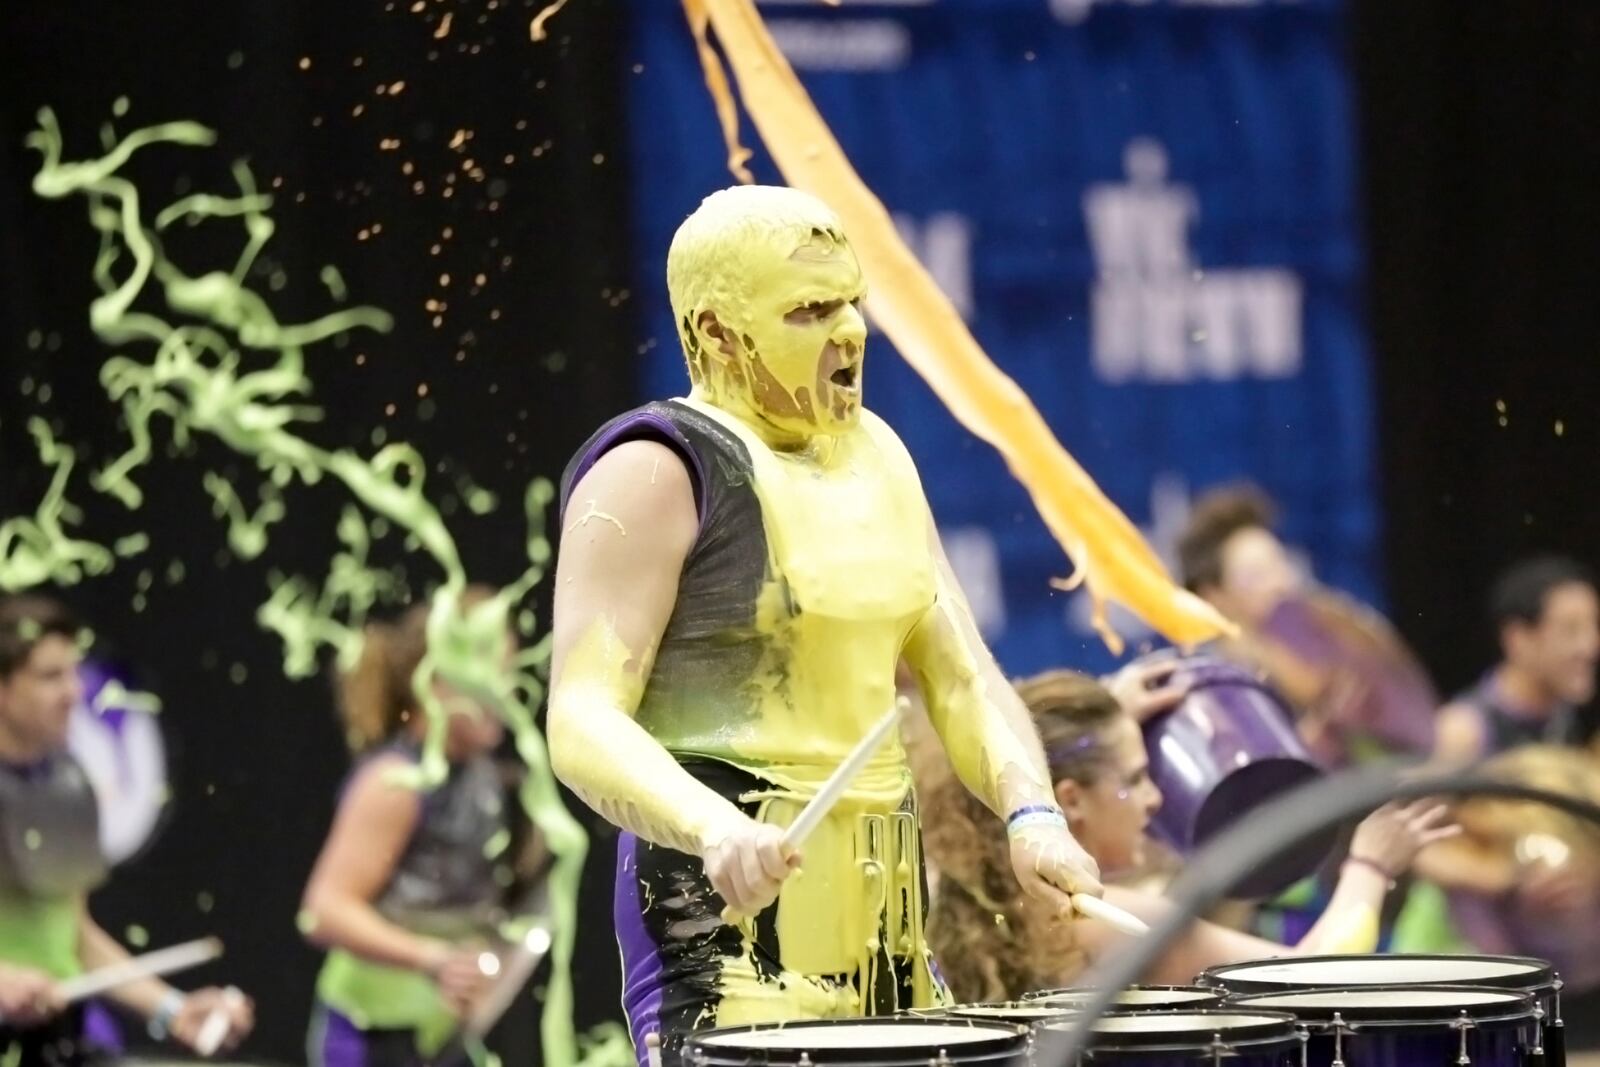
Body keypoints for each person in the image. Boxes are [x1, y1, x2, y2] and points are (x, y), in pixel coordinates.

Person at [546, 185, 1101, 1067]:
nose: (851, 331)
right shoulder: (654, 467)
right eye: (810, 309)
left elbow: (961, 674)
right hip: (727, 931)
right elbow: (579, 716)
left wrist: (1032, 814)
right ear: (716, 332)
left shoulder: (880, 454)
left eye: (853, 301)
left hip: (889, 928)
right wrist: (712, 826)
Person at [911, 669, 1456, 1002]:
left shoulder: (969, 891)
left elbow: (1013, 746)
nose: (1154, 798)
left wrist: (1097, 712)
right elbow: (1311, 978)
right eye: (1135, 778)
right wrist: (1370, 867)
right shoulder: (1102, 920)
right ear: (1071, 800)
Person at [0, 593, 253, 1064]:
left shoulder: (69, 784)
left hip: (53, 1037)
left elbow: (73, 933)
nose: (74, 692)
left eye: (73, 673)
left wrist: (171, 1009)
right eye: (50, 677)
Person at [300, 587, 545, 1067]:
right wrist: (432, 959)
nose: (504, 689)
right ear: (434, 682)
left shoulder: (489, 779)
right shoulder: (394, 785)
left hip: (440, 1036)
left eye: (509, 671)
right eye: (487, 670)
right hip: (369, 1037)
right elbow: (323, 911)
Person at [1176, 484, 1437, 766]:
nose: (1280, 584)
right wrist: (1314, 743)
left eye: (1280, 565)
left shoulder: (1333, 646)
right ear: (1212, 597)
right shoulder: (1217, 693)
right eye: (1257, 575)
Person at [1432, 555, 1599, 767]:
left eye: (1593, 627)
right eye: (1570, 630)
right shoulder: (1463, 731)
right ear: (1518, 639)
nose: (1591, 647)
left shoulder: (1563, 719)